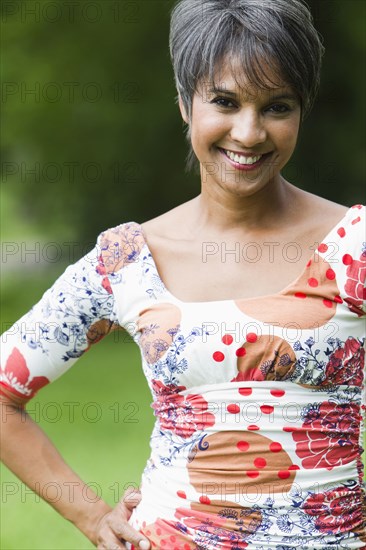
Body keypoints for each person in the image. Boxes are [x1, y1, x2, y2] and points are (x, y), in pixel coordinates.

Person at [1, 0, 365, 548]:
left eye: (277, 107)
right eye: (224, 101)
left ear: (301, 112)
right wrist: (94, 517)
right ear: (184, 104)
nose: (249, 132)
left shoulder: (354, 246)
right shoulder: (127, 259)